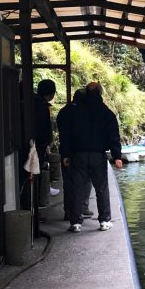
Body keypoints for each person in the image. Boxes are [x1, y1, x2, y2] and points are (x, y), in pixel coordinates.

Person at [64, 82, 123, 233]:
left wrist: (65, 153)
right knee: (101, 188)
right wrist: (117, 156)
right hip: (98, 155)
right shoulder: (106, 112)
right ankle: (104, 220)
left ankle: (76, 223)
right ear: (100, 93)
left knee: (77, 188)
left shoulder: (75, 112)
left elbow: (67, 134)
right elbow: (113, 135)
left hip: (78, 154)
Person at [56, 88, 90, 222]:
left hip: (66, 150)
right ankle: (81, 208)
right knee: (85, 181)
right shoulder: (84, 112)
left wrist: (64, 154)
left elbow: (63, 135)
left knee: (68, 183)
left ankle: (68, 211)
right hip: (80, 152)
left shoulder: (63, 111)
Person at [34, 79, 56, 164]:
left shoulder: (32, 102)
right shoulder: (42, 106)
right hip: (39, 145)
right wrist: (46, 142)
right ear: (52, 94)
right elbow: (43, 126)